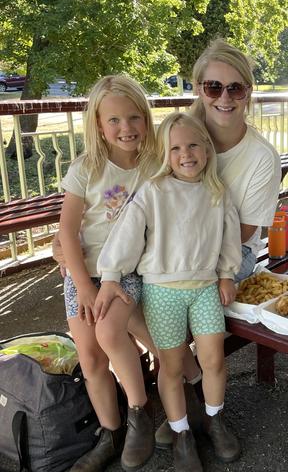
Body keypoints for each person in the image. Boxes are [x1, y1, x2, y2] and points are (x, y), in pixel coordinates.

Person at [154, 37, 283, 447]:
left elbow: (243, 232)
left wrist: (179, 258)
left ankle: (191, 395)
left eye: (235, 88)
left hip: (230, 253)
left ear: (248, 92)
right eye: (214, 87)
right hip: (170, 251)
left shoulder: (261, 157)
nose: (224, 98)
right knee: (123, 297)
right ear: (198, 88)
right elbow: (133, 190)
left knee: (171, 290)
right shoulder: (178, 135)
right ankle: (177, 389)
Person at [96, 112, 242, 468]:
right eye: (175, 148)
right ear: (165, 154)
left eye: (193, 144)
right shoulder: (154, 190)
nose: (185, 153)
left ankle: (213, 418)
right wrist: (111, 275)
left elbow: (229, 239)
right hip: (163, 291)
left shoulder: (217, 192)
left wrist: (226, 275)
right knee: (173, 366)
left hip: (205, 286)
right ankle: (181, 433)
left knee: (213, 360)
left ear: (206, 149)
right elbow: (127, 234)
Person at [58, 75, 159, 471]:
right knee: (89, 355)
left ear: (146, 120)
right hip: (84, 274)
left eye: (134, 117)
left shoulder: (154, 165)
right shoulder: (86, 168)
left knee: (109, 331)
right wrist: (82, 285)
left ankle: (140, 413)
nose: (126, 128)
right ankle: (110, 432)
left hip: (127, 270)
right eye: (114, 120)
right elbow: (67, 230)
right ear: (99, 125)